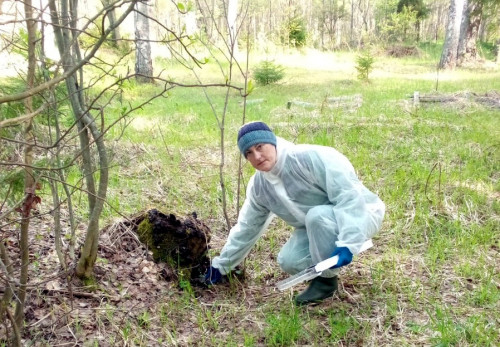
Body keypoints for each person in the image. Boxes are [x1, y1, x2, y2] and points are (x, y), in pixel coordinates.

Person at [203, 121, 385, 305]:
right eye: (249, 153)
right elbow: (247, 227)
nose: (257, 156)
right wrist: (222, 265)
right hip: (316, 226)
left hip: (363, 214)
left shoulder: (311, 158)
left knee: (317, 216)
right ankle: (325, 267)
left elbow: (350, 197)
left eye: (260, 147)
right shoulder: (260, 186)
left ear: (272, 142)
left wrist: (349, 242)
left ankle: (326, 282)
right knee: (289, 260)